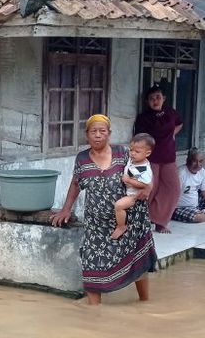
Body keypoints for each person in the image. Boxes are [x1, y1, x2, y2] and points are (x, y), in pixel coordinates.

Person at [51, 115, 157, 305]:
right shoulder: (82, 159)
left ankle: (145, 303)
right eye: (94, 131)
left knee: (137, 263)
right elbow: (76, 184)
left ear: (109, 134)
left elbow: (145, 169)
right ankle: (94, 315)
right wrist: (66, 209)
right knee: (92, 266)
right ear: (87, 135)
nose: (98, 135)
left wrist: (148, 187)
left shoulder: (123, 153)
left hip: (128, 220)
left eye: (102, 131)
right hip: (96, 225)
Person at [133, 84, 183, 233]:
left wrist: (172, 134)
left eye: (158, 97)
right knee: (149, 189)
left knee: (172, 189)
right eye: (151, 98)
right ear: (147, 101)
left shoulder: (170, 112)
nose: (155, 101)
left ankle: (160, 221)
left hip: (169, 158)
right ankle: (139, 221)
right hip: (151, 158)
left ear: (164, 99)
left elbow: (179, 123)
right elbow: (139, 138)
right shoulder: (144, 117)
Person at [111, 133, 154, 240]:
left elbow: (145, 184)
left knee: (119, 206)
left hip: (134, 196)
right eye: (131, 150)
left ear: (147, 153)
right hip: (129, 192)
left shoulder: (144, 169)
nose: (132, 153)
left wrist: (129, 180)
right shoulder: (133, 159)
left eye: (137, 152)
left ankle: (121, 226)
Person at [172, 148, 205, 223]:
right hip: (180, 207)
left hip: (195, 205)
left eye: (200, 161)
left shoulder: (202, 172)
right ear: (188, 160)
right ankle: (200, 213)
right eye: (194, 161)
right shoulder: (181, 173)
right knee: (200, 218)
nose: (198, 165)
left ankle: (200, 211)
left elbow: (203, 192)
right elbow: (172, 196)